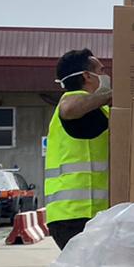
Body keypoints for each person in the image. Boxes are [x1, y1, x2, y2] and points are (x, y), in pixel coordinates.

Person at [44, 48, 111, 251]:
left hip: (90, 214)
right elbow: (69, 108)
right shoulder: (71, 100)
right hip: (73, 216)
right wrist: (110, 95)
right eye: (101, 71)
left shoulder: (101, 110)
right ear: (87, 76)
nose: (106, 76)